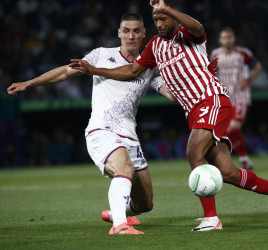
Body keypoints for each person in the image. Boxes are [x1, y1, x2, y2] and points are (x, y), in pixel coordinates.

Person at [70, 0, 268, 232]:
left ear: (173, 17)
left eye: (164, 18)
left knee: (193, 152)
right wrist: (95, 70)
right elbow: (131, 71)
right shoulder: (155, 46)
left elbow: (199, 28)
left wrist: (167, 8)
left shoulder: (188, 35)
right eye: (156, 19)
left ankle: (211, 218)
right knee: (227, 172)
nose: (159, 23)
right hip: (194, 111)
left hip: (212, 100)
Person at [8, 13, 176, 235]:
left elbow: (171, 93)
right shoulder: (101, 55)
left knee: (146, 204)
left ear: (144, 34)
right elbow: (65, 72)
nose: (131, 36)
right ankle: (119, 226)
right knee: (123, 167)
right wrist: (30, 83)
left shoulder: (149, 66)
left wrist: (197, 81)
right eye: (126, 30)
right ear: (119, 33)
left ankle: (115, 212)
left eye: (136, 31)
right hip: (102, 131)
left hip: (130, 138)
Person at [211, 27, 263, 170]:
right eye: (224, 38)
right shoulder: (215, 54)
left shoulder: (242, 53)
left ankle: (244, 159)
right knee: (226, 131)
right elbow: (210, 71)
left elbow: (257, 66)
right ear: (220, 40)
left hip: (241, 97)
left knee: (233, 129)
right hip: (225, 97)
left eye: (229, 37)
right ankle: (243, 159)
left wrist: (248, 80)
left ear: (233, 39)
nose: (227, 40)